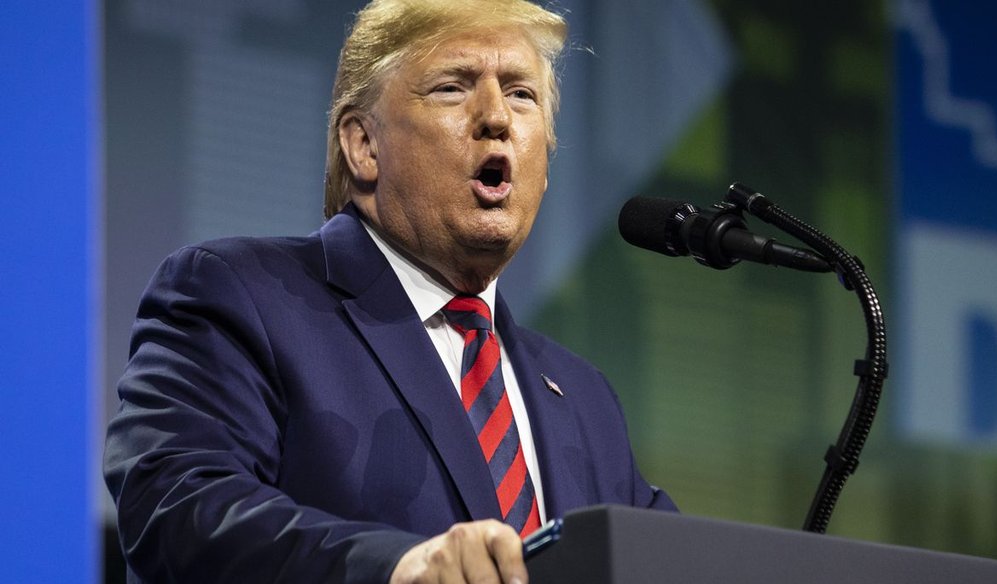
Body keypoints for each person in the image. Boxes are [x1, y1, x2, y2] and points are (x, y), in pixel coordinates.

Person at [104, 0, 677, 582]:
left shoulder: (585, 399)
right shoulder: (240, 296)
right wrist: (397, 568)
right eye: (453, 88)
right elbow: (176, 507)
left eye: (521, 94)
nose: (497, 117)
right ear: (364, 146)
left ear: (545, 166)